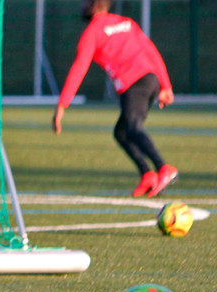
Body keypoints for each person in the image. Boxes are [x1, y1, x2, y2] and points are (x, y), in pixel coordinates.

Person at [53, 0, 176, 198]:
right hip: (150, 80)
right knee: (122, 132)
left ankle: (163, 168)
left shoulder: (92, 32)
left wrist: (61, 105)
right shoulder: (126, 22)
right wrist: (165, 85)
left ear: (92, 5)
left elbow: (79, 69)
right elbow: (150, 49)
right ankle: (148, 175)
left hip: (133, 84)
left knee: (133, 128)